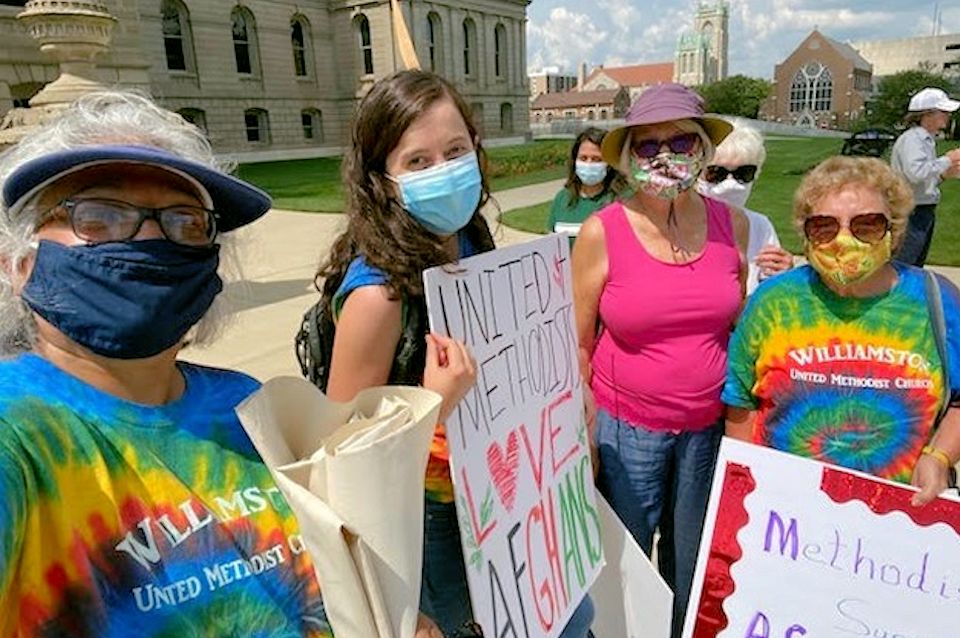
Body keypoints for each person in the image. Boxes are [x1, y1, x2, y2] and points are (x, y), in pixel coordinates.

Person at [0, 90, 476, 637]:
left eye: (185, 222)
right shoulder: (20, 436)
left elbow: (331, 567)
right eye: (102, 216)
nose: (152, 239)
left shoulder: (246, 407)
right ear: (19, 262)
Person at [313, 69, 594, 637]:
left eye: (455, 150)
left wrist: (562, 384)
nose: (443, 171)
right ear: (383, 180)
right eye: (417, 161)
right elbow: (341, 466)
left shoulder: (470, 242)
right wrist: (431, 408)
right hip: (434, 526)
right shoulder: (376, 297)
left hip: (506, 490)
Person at [572, 82, 748, 638]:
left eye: (680, 141)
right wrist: (582, 430)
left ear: (703, 148)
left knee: (693, 560)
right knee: (625, 558)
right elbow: (577, 342)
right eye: (648, 146)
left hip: (707, 429)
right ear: (628, 158)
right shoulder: (603, 231)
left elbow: (737, 322)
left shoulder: (732, 226)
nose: (666, 156)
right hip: (628, 434)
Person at [724, 155, 960, 507]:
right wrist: (742, 488)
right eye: (824, 226)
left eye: (866, 226)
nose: (844, 239)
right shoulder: (773, 303)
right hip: (785, 511)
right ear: (806, 233)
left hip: (903, 513)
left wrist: (940, 457)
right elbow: (740, 403)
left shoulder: (937, 300)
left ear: (893, 228)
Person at [697, 123, 793, 294]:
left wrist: (783, 273)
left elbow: (770, 288)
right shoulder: (680, 226)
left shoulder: (760, 225)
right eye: (716, 174)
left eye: (744, 173)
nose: (731, 184)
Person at [889, 87, 960, 266]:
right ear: (927, 114)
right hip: (912, 212)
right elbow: (916, 173)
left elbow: (922, 179)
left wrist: (943, 175)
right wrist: (947, 159)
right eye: (943, 112)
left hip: (922, 210)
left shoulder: (923, 140)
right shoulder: (913, 139)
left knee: (914, 263)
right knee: (905, 264)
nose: (947, 116)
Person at [547, 127, 622, 245]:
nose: (589, 164)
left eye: (597, 159)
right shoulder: (561, 199)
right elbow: (551, 246)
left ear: (609, 164)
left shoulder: (621, 202)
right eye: (583, 158)